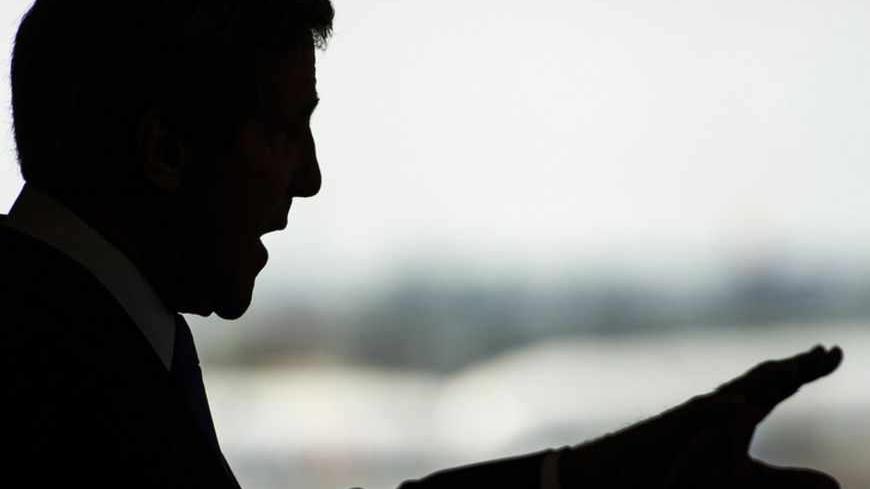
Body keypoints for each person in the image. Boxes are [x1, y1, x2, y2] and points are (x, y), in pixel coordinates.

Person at [0, 1, 844, 488]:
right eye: (285, 131)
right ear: (164, 151)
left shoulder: (106, 332)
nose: (310, 178)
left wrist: (587, 477)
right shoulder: (48, 371)